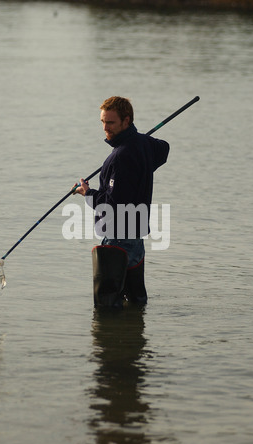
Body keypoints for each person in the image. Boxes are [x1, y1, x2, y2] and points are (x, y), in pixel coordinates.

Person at [74, 96, 170, 308]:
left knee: (106, 306)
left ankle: (110, 340)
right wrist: (138, 138)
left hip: (118, 238)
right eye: (103, 122)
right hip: (136, 239)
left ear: (126, 121)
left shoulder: (121, 156)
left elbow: (111, 205)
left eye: (111, 123)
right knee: (136, 303)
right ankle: (133, 339)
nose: (105, 128)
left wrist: (87, 193)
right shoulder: (141, 145)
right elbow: (163, 149)